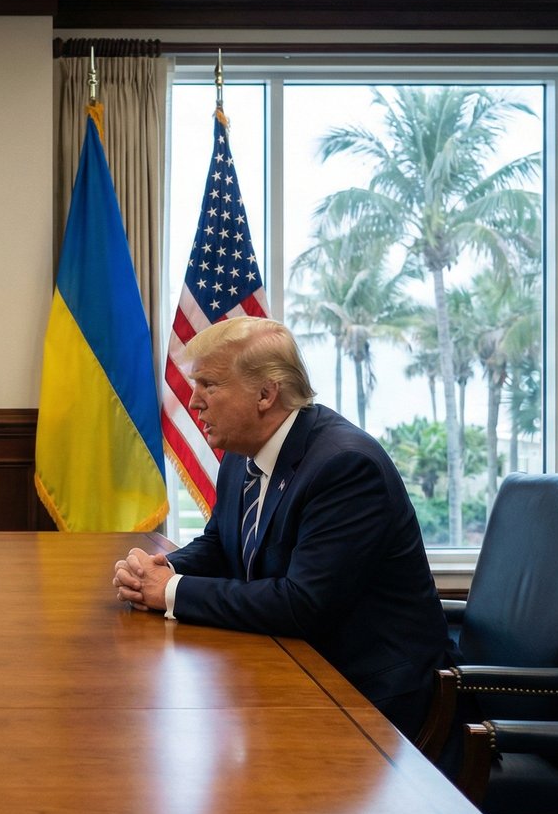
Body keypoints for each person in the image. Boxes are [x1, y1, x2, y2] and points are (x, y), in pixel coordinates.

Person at [113, 317, 454, 741]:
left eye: (209, 385)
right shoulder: (243, 450)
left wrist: (170, 590)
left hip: (370, 701)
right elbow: (223, 544)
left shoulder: (344, 466)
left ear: (265, 394)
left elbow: (302, 604)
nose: (193, 401)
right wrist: (159, 568)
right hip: (296, 672)